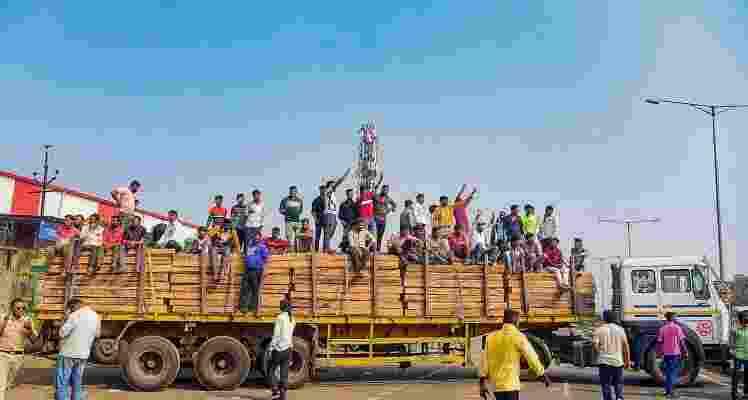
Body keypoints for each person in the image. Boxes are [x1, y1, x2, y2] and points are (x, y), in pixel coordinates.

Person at [479, 308, 550, 400]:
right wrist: (542, 374)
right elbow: (531, 357)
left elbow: (483, 362)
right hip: (511, 385)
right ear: (515, 321)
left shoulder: (491, 338)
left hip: (496, 386)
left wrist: (482, 383)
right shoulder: (518, 337)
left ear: (504, 321)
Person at [56, 298, 100, 400]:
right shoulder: (95, 316)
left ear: (73, 306)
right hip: (83, 354)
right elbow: (97, 334)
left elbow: (61, 333)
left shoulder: (74, 315)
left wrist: (66, 318)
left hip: (68, 353)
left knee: (63, 381)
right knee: (77, 380)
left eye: (70, 309)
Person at [0, 298, 36, 400]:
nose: (21, 310)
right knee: (1, 384)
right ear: (12, 308)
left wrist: (29, 329)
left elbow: (34, 340)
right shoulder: (4, 318)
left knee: (8, 383)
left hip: (18, 356)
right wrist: (4, 323)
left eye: (23, 308)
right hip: (3, 354)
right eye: (18, 308)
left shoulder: (27, 320)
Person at [593, 310, 631, 400]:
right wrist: (627, 361)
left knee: (606, 384)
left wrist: (600, 352)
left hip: (604, 362)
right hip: (617, 361)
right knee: (618, 383)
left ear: (604, 318)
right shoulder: (620, 330)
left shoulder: (599, 330)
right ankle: (619, 398)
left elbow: (595, 344)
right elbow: (626, 346)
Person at [269, 297, 296, 400]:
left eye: (280, 305)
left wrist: (271, 348)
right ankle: (283, 395)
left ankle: (275, 392)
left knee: (271, 370)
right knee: (284, 373)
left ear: (282, 307)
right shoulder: (292, 319)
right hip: (288, 349)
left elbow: (276, 335)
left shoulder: (280, 318)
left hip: (279, 349)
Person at [657, 312, 686, 398]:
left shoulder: (662, 329)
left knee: (668, 372)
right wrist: (685, 351)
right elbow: (682, 341)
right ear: (673, 318)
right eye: (675, 317)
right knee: (673, 373)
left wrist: (659, 352)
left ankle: (668, 391)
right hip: (675, 353)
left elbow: (659, 342)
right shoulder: (677, 328)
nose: (676, 318)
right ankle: (671, 392)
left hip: (666, 354)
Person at [239, 231, 270, 313]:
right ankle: (243, 307)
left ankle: (253, 307)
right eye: (254, 237)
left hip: (256, 270)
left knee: (254, 289)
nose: (256, 238)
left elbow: (266, 259)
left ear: (260, 238)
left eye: (257, 237)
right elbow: (246, 257)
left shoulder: (262, 247)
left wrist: (264, 271)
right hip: (247, 270)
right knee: (245, 289)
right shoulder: (249, 246)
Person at [208, 217, 241, 282]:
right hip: (216, 246)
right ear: (223, 224)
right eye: (225, 225)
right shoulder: (218, 228)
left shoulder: (233, 231)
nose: (227, 227)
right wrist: (216, 230)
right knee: (213, 254)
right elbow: (209, 234)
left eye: (228, 225)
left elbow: (237, 242)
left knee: (227, 254)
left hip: (226, 247)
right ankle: (215, 274)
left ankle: (222, 274)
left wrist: (239, 252)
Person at [373, 184, 397, 252]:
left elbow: (394, 205)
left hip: (383, 219)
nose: (386, 191)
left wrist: (390, 209)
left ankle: (378, 249)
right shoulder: (376, 196)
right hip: (375, 218)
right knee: (374, 234)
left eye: (387, 190)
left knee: (380, 234)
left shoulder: (388, 198)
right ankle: (373, 249)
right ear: (382, 189)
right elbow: (371, 195)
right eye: (385, 189)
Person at [731, 311, 748, 400]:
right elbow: (732, 342)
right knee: (736, 375)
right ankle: (734, 393)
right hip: (738, 355)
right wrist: (732, 351)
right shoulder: (735, 329)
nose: (746, 322)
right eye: (744, 320)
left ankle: (746, 393)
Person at [338, 189, 358, 253]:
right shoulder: (343, 204)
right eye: (349, 194)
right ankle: (344, 249)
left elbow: (357, 214)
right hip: (346, 223)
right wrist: (343, 222)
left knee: (353, 238)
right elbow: (340, 215)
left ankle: (353, 249)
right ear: (347, 194)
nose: (350, 195)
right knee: (345, 236)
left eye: (351, 194)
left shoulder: (355, 204)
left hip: (353, 223)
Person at [311, 185, 327, 253]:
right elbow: (313, 211)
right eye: (322, 189)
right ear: (320, 190)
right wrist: (315, 219)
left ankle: (325, 250)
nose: (323, 191)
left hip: (326, 220)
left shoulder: (328, 199)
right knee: (318, 236)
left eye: (324, 189)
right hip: (319, 220)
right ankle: (316, 250)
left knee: (326, 236)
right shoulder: (316, 200)